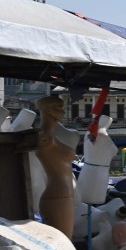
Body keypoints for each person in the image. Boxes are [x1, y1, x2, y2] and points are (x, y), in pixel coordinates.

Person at [35, 96, 80, 239]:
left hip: (62, 194)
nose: (63, 111)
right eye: (59, 107)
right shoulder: (45, 137)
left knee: (63, 242)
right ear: (48, 110)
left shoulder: (50, 136)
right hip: (58, 195)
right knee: (63, 242)